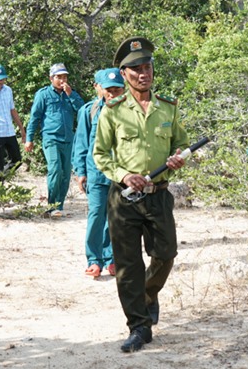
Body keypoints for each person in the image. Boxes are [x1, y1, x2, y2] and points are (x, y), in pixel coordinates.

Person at [93, 37, 189, 352]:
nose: (143, 73)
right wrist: (124, 175)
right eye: (135, 69)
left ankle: (148, 295)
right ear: (123, 74)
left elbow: (180, 145)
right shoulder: (112, 111)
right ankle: (138, 326)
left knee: (166, 254)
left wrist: (176, 160)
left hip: (158, 194)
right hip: (124, 199)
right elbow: (101, 155)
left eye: (147, 66)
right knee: (128, 264)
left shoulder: (168, 107)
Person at [72, 68, 125, 279]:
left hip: (122, 175)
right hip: (96, 173)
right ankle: (94, 260)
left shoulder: (131, 111)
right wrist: (81, 172)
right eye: (108, 90)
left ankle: (112, 259)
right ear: (100, 89)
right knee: (96, 215)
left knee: (117, 217)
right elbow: (82, 143)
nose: (112, 94)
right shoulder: (89, 111)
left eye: (117, 89)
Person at [25, 63, 85, 217]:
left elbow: (83, 111)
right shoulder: (43, 94)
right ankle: (52, 205)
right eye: (59, 77)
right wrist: (29, 139)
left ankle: (59, 206)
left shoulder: (71, 93)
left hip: (68, 139)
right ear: (51, 78)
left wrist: (71, 94)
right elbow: (35, 117)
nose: (62, 80)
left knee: (65, 173)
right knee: (55, 169)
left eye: (64, 77)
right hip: (51, 138)